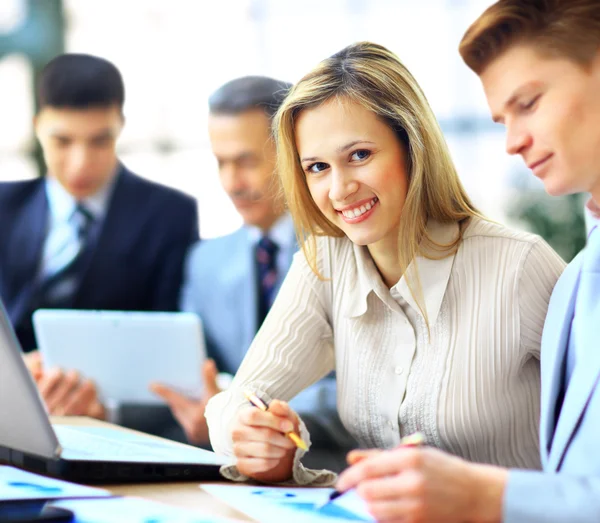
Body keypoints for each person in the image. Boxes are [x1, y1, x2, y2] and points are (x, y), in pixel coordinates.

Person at [204, 41, 566, 486]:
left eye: (359, 155)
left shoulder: (519, 267)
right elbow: (234, 403)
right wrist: (251, 435)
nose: (339, 190)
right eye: (317, 167)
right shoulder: (326, 263)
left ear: (412, 148)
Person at [334, 2, 600, 522]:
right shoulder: (576, 285)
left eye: (529, 103)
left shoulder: (530, 269)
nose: (512, 142)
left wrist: (485, 495)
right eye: (503, 118)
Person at [152, 76, 355, 470]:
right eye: (221, 163)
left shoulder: (350, 248)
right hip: (229, 472)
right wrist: (215, 416)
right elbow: (197, 374)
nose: (232, 183)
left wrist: (241, 413)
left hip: (331, 469)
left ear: (294, 154)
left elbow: (365, 388)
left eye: (246, 161)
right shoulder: (204, 262)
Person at [0, 53, 198, 421]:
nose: (80, 162)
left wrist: (107, 408)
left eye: (99, 141)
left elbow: (168, 349)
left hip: (105, 417)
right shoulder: (4, 207)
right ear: (37, 127)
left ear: (120, 126)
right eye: (62, 141)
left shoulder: (169, 216)